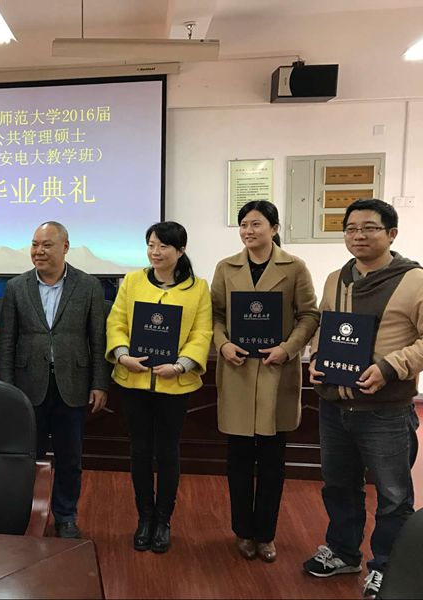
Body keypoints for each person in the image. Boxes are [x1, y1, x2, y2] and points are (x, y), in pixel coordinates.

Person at [302, 199, 422, 599]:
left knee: (393, 495)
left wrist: (390, 367)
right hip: (334, 405)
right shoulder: (336, 278)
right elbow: (325, 325)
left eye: (369, 228)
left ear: (391, 234)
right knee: (338, 485)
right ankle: (342, 552)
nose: (358, 236)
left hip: (385, 410)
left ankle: (387, 567)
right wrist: (317, 358)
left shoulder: (414, 280)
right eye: (351, 229)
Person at [211, 200, 319, 563]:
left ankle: (266, 534)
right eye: (243, 224)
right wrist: (223, 344)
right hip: (238, 370)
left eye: (256, 224)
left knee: (273, 462)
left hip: (276, 370)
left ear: (274, 228)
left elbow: (309, 315)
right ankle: (243, 531)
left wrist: (288, 349)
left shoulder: (294, 267)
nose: (248, 231)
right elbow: (215, 315)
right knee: (239, 460)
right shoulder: (226, 267)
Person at [106, 221, 213, 553]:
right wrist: (122, 355)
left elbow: (202, 333)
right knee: (139, 451)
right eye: (151, 245)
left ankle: (163, 520)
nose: (155, 252)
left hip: (174, 384)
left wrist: (181, 365)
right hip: (134, 381)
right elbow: (116, 321)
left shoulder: (198, 288)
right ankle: (144, 518)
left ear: (180, 251)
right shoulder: (132, 281)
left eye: (163, 246)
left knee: (167, 453)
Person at [0, 221, 108, 539]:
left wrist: (99, 383)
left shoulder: (88, 286)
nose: (38, 251)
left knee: (70, 457)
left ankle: (66, 515)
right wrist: (7, 388)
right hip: (27, 386)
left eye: (46, 245)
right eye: (35, 244)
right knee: (25, 456)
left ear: (65, 247)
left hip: (72, 385)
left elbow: (97, 339)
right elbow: (7, 341)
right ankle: (24, 511)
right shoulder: (17, 287)